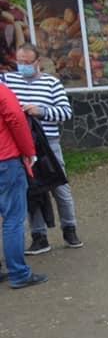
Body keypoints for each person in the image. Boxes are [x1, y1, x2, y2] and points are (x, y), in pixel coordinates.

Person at [1, 43, 80, 254]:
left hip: (48, 144)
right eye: (19, 62)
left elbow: (65, 113)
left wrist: (41, 111)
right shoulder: (7, 81)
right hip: (20, 144)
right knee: (31, 191)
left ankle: (70, 229)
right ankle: (39, 236)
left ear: (37, 62)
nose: (23, 66)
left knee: (60, 188)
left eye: (27, 62)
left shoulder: (51, 83)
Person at [0, 81, 45, 289]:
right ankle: (18, 273)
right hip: (5, 160)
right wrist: (29, 151)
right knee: (13, 218)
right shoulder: (2, 91)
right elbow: (17, 120)